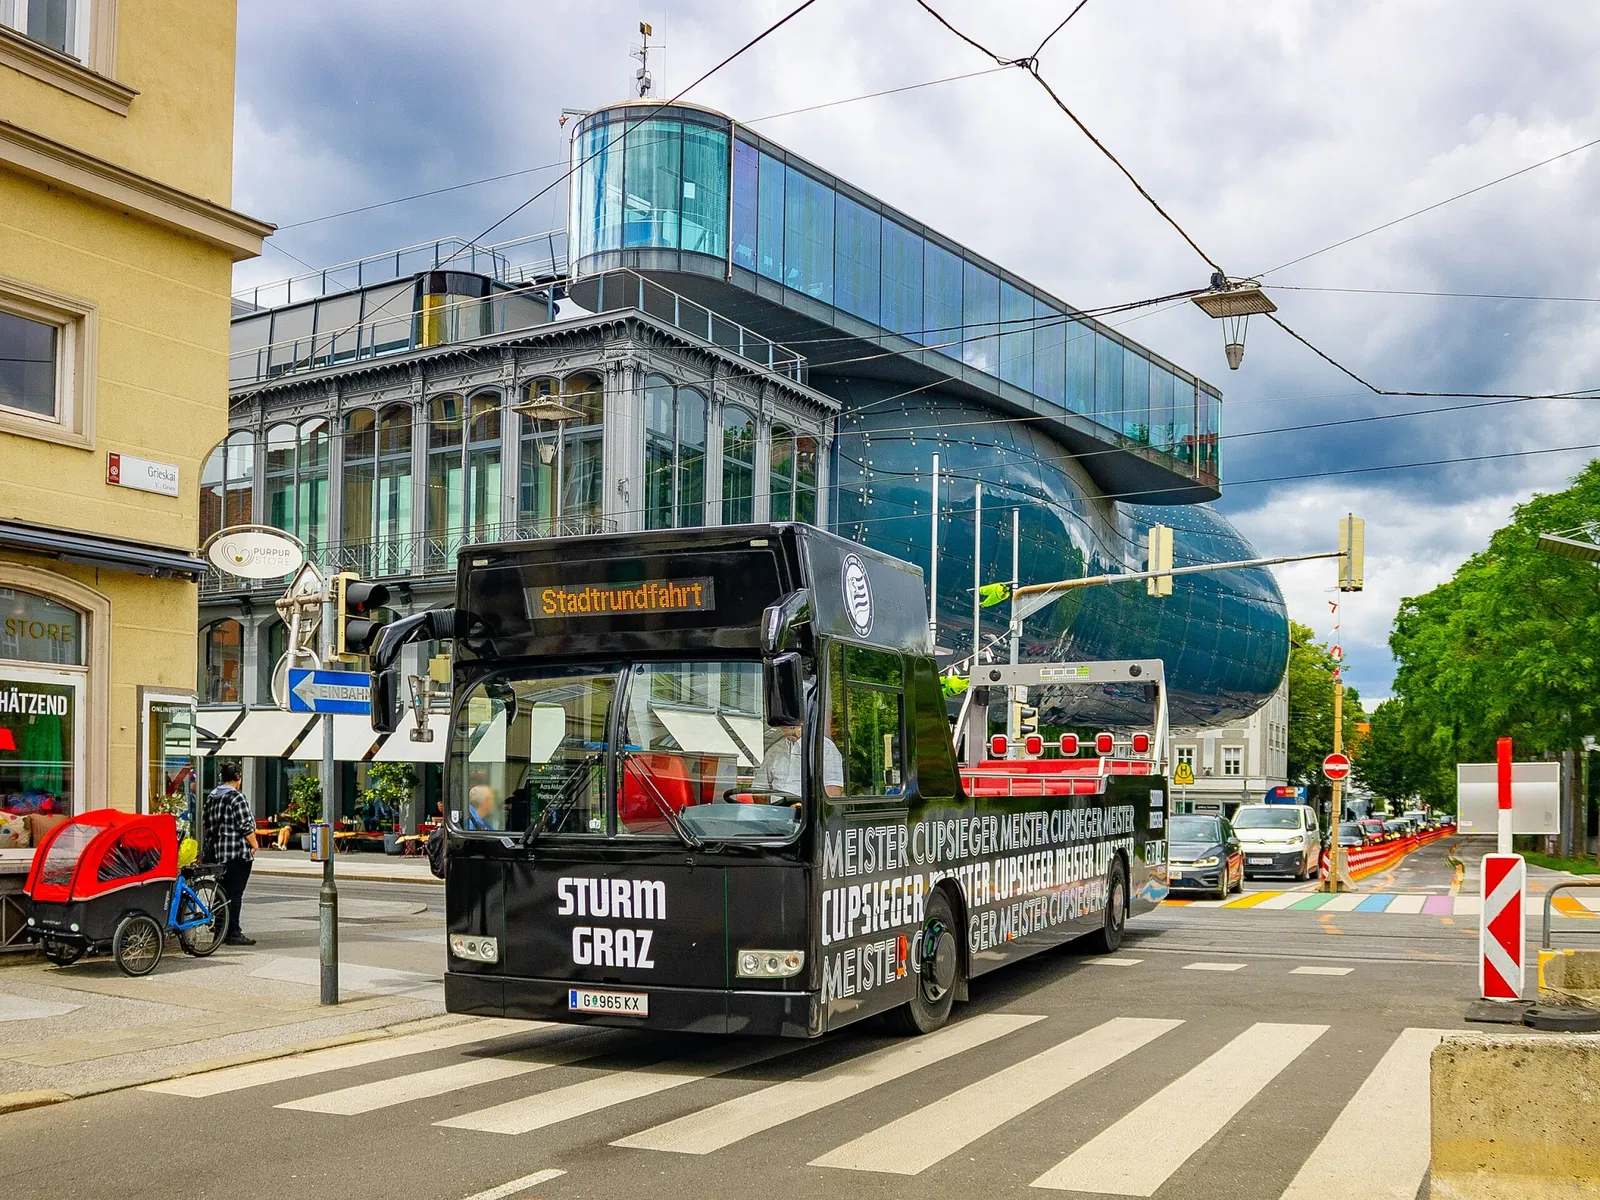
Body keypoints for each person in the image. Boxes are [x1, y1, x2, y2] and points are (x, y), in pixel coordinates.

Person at [204, 761, 258, 946]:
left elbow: (207, 824)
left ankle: (220, 929)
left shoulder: (212, 797)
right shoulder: (237, 797)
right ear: (237, 777)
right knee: (235, 894)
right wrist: (254, 844)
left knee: (222, 892)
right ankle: (233, 932)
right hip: (237, 852)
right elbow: (245, 825)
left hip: (219, 852)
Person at [750, 726, 844, 799]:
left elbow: (833, 791)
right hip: (778, 813)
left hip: (808, 816)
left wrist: (805, 809)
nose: (785, 726)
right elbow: (759, 790)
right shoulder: (774, 750)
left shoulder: (824, 747)